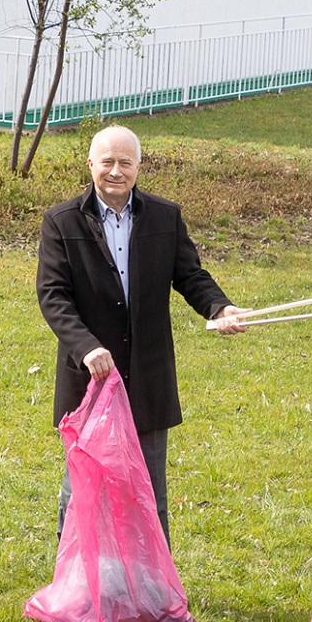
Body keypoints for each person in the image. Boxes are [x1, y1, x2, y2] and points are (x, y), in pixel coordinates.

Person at [36, 125, 249, 541]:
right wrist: (86, 347)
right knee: (83, 493)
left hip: (148, 378)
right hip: (90, 380)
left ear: (139, 166)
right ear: (91, 164)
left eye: (125, 163)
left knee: (149, 495)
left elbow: (190, 275)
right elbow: (52, 296)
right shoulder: (61, 222)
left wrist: (219, 307)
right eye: (107, 162)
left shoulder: (164, 217)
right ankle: (77, 591)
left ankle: (153, 593)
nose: (116, 171)